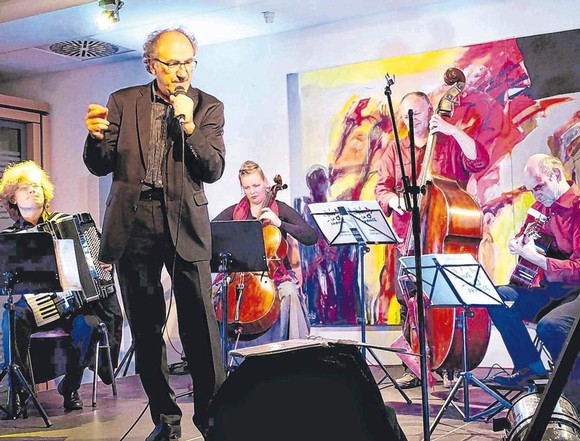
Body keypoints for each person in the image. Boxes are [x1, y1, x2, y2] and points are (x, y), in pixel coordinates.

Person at [83, 27, 226, 441]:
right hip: (134, 224)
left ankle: (212, 421)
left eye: (187, 63)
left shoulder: (208, 106)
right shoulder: (123, 102)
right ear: (151, 64)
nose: (181, 72)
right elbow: (101, 164)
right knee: (146, 332)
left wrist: (187, 123)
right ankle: (165, 421)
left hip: (187, 223)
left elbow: (213, 169)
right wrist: (94, 140)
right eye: (171, 63)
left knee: (200, 331)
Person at [374, 91, 490, 388]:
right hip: (408, 237)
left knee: (443, 298)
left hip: (442, 236)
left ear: (430, 110)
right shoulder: (395, 150)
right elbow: (382, 189)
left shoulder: (449, 142)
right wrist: (398, 202)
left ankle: (449, 362)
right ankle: (417, 364)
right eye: (404, 115)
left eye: (416, 113)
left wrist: (452, 130)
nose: (410, 120)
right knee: (408, 300)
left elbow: (479, 161)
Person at [0, 160, 123, 419]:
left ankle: (70, 388)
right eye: (25, 187)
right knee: (13, 315)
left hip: (73, 303)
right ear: (12, 198)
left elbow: (99, 260)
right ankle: (22, 390)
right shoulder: (11, 237)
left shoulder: (67, 223)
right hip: (37, 305)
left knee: (89, 324)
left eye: (37, 186)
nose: (33, 190)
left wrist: (105, 263)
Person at [487, 154, 579, 404]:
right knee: (494, 297)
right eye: (530, 190)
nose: (535, 195)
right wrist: (517, 244)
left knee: (551, 326)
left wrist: (539, 260)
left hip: (576, 292)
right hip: (550, 290)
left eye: (538, 186)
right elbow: (525, 239)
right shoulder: (539, 208)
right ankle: (531, 369)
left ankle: (573, 392)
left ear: (557, 175)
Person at [213, 160, 317, 347]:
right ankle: (223, 358)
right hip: (239, 276)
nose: (252, 191)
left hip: (274, 276)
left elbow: (311, 236)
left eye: (256, 185)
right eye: (247, 187)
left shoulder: (281, 209)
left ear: (266, 183)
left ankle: (294, 352)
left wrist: (279, 223)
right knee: (212, 296)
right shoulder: (235, 212)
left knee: (290, 294)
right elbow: (210, 232)